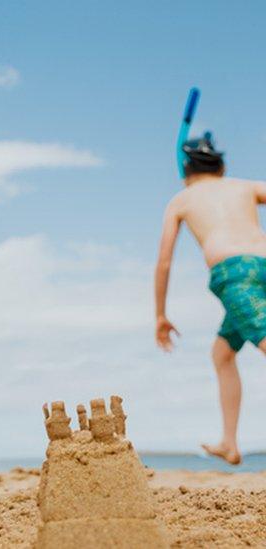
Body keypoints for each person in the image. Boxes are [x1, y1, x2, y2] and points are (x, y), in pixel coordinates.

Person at [154, 131, 266, 465]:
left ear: (186, 172)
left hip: (235, 276)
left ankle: (230, 442)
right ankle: (229, 443)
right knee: (222, 354)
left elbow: (164, 262)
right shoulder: (244, 186)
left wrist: (160, 314)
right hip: (261, 266)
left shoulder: (181, 200)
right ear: (222, 166)